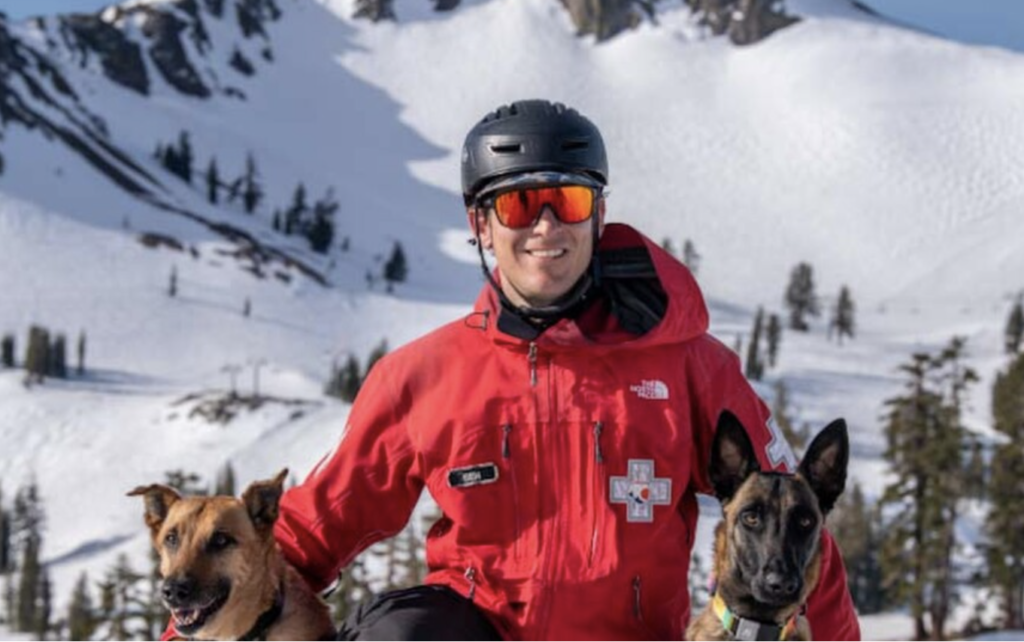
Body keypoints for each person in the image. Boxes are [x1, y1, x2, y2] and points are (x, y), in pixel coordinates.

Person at [276, 99, 861, 640]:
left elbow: (799, 520)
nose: (547, 227)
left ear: (598, 215)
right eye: (520, 203)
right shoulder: (421, 378)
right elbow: (304, 535)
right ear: (481, 223)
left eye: (571, 201)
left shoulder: (688, 363)